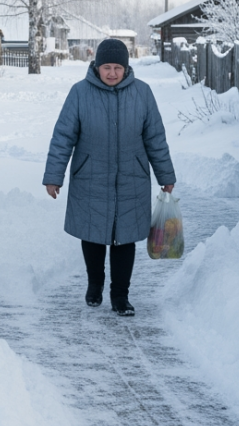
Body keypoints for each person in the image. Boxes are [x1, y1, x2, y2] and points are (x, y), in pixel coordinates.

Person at [43, 38, 175, 316]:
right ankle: (95, 283)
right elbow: (63, 137)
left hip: (131, 179)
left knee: (125, 239)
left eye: (118, 67)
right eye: (107, 67)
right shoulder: (80, 93)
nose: (112, 73)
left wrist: (166, 175)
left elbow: (155, 138)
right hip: (90, 177)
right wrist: (54, 176)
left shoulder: (142, 93)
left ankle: (120, 296)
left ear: (126, 68)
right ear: (97, 67)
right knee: (92, 235)